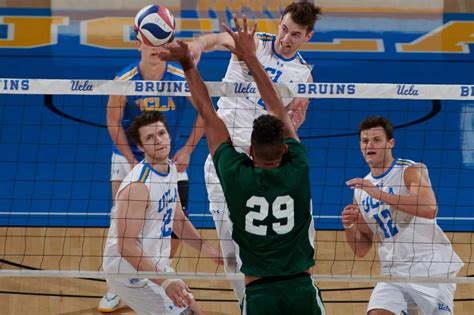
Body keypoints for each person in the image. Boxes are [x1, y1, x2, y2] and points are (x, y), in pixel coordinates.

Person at [159, 15, 326, 315]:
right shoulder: (253, 41)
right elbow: (217, 40)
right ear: (279, 23)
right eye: (284, 29)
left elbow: (292, 116)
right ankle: (247, 301)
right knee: (232, 247)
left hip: (258, 159)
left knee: (291, 238)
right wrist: (197, 45)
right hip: (237, 156)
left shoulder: (303, 75)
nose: (287, 38)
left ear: (308, 37)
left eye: (296, 35)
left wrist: (187, 64)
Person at [101, 8, 204, 311]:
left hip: (162, 156)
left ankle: (157, 274)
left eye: (161, 45)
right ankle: (117, 288)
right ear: (140, 44)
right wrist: (133, 162)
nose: (156, 49)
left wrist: (187, 150)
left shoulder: (178, 77)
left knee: (170, 225)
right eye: (150, 43)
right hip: (128, 156)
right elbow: (112, 123)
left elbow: (205, 112)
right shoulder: (125, 79)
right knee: (121, 225)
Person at [341, 116, 464, 315]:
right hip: (393, 272)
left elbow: (429, 207)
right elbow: (362, 248)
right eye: (365, 141)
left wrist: (379, 194)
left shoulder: (410, 170)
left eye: (376, 140)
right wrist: (349, 226)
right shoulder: (361, 189)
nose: (369, 145)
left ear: (391, 143)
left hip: (431, 267)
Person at [103, 111, 220, 315]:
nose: (158, 141)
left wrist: (209, 251)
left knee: (196, 311)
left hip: (154, 264)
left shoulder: (171, 169)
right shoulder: (138, 186)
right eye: (149, 137)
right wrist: (165, 281)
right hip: (130, 273)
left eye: (161, 133)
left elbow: (178, 220)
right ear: (140, 147)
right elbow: (126, 246)